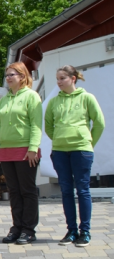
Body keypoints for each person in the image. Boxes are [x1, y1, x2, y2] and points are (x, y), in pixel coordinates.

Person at [46, 65, 105, 247]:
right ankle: (71, 231)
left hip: (82, 150)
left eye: (62, 78)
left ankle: (85, 232)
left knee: (82, 190)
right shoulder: (54, 102)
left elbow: (99, 123)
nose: (59, 82)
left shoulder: (87, 98)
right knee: (66, 190)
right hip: (60, 152)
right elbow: (48, 125)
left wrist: (88, 143)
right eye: (57, 79)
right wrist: (59, 139)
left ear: (73, 78)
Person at [0, 62, 42, 245]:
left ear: (22, 76)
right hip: (6, 151)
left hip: (25, 150)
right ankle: (17, 227)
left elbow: (36, 124)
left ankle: (28, 230)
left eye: (11, 74)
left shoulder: (32, 96)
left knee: (27, 190)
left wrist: (33, 149)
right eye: (7, 75)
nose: (8, 78)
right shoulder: (4, 99)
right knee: (13, 191)